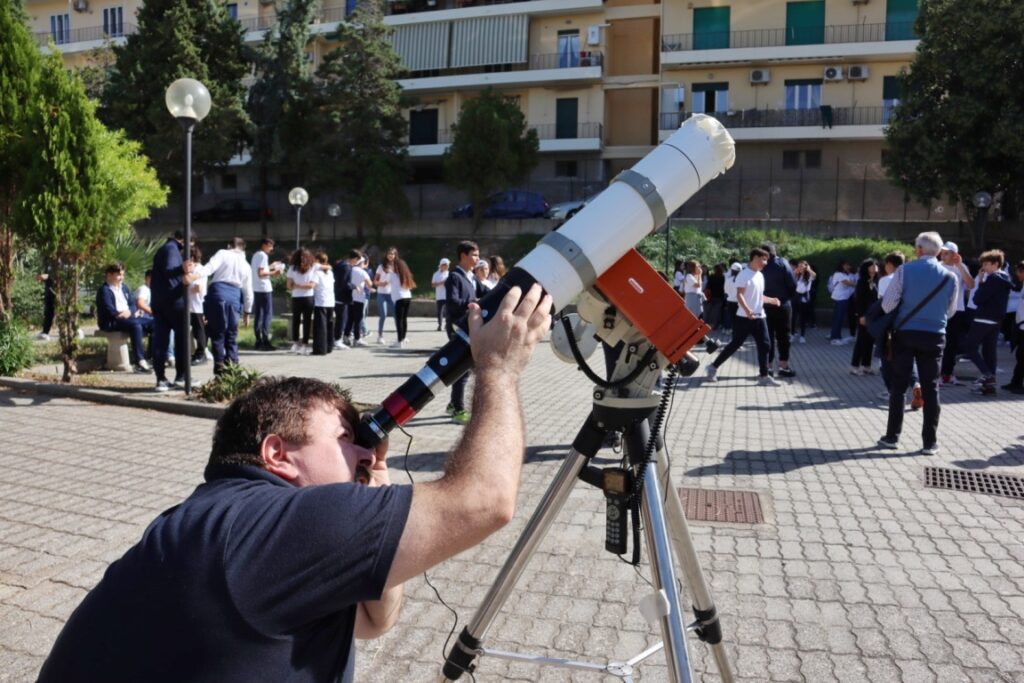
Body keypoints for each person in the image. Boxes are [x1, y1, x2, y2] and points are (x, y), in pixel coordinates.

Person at [37, 283, 553, 683]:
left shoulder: (223, 523)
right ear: (277, 454)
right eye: (345, 437)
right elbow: (485, 500)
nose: (366, 450)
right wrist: (499, 370)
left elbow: (375, 620)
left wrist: (371, 489)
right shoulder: (265, 527)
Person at [877, 232, 959, 455]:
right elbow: (951, 311)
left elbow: (887, 305)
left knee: (898, 386)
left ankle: (892, 436)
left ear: (920, 250)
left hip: (906, 332)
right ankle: (929, 443)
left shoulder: (904, 270)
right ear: (940, 252)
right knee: (931, 387)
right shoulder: (951, 277)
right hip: (935, 335)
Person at [705, 248, 780, 386]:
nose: (765, 263)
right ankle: (712, 367)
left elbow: (759, 296)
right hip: (744, 317)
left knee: (765, 344)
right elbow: (739, 295)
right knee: (735, 344)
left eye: (766, 260)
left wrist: (772, 300)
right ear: (755, 258)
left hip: (760, 316)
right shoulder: (743, 275)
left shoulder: (760, 275)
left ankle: (764, 376)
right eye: (763, 259)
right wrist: (747, 310)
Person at [195, 237, 254, 375]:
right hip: (234, 298)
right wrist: (247, 311)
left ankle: (219, 366)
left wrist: (195, 274)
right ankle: (233, 368)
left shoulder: (222, 253)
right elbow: (248, 291)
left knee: (217, 333)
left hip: (217, 295)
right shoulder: (246, 265)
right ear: (243, 249)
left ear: (229, 245)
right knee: (232, 335)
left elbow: (209, 268)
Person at [150, 230, 199, 392]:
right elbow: (171, 270)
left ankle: (162, 378)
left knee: (162, 340)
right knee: (180, 340)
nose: (190, 248)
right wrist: (183, 269)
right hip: (173, 303)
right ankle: (181, 376)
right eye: (190, 244)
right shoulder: (171, 249)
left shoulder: (165, 248)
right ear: (184, 240)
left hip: (160, 302)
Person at [963, 249, 1012, 396]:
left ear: (996, 264)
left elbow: (977, 299)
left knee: (969, 347)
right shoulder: (1005, 277)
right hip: (997, 320)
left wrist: (982, 282)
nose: (983, 267)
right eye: (982, 264)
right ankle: (989, 387)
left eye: (986, 264)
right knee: (989, 351)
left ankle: (987, 374)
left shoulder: (992, 278)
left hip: (983, 317)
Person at [445, 240, 481, 424]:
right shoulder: (455, 277)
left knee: (464, 370)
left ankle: (453, 404)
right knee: (461, 369)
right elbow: (452, 302)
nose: (477, 258)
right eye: (474, 255)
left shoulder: (472, 276)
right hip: (458, 327)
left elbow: (485, 292)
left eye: (477, 255)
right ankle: (458, 409)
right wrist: (472, 303)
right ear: (463, 256)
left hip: (469, 327)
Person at [95, 262, 151, 373]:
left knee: (154, 323)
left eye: (123, 275)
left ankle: (154, 356)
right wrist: (120, 314)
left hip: (128, 316)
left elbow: (132, 304)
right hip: (112, 321)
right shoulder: (104, 290)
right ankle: (140, 360)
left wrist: (130, 312)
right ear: (109, 275)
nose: (122, 278)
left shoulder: (124, 287)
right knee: (136, 326)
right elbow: (108, 309)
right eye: (119, 275)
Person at [937, 241, 975, 386]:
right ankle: (938, 374)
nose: (943, 255)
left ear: (955, 254)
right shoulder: (937, 266)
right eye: (942, 252)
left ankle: (949, 374)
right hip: (940, 310)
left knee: (952, 344)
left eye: (946, 253)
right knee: (940, 343)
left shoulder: (961, 267)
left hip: (957, 310)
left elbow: (971, 285)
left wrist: (959, 265)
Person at [760, 243, 797, 378]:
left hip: (764, 305)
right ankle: (783, 366)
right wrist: (786, 297)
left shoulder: (759, 266)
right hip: (782, 304)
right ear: (774, 252)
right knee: (784, 336)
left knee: (767, 336)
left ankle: (768, 367)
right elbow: (792, 284)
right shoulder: (783, 263)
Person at [251, 238, 284, 351]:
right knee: (267, 315)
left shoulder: (256, 254)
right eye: (270, 246)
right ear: (264, 245)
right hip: (264, 288)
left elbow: (260, 270)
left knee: (258, 315)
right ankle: (265, 340)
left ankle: (258, 341)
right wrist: (275, 272)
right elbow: (261, 273)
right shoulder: (263, 255)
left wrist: (271, 266)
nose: (272, 248)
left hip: (257, 288)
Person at [849, 258, 879, 375]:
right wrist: (861, 315)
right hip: (863, 315)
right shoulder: (862, 282)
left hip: (873, 315)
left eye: (876, 265)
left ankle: (866, 365)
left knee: (870, 340)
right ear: (866, 268)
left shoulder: (876, 281)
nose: (875, 267)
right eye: (872, 265)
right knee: (861, 340)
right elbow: (859, 300)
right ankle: (854, 366)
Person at [287, 248, 317, 355]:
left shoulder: (313, 267)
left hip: (308, 297)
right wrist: (302, 286)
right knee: (296, 319)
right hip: (296, 297)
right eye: (300, 256)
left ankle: (305, 344)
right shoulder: (292, 268)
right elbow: (289, 286)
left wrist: (298, 285)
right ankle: (295, 343)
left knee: (307, 321)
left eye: (304, 256)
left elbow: (312, 285)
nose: (302, 259)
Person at [1003, 260, 1024, 395]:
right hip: (1020, 326)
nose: (1016, 274)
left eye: (1018, 271)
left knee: (1022, 357)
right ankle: (1015, 382)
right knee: (1020, 356)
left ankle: (1017, 384)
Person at [345, 252, 374, 347]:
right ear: (362, 263)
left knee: (350, 319)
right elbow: (370, 284)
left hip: (350, 298)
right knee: (358, 319)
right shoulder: (363, 272)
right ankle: (357, 339)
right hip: (359, 298)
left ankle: (346, 336)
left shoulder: (350, 270)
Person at [187, 246, 208, 366]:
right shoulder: (191, 269)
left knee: (199, 330)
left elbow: (198, 288)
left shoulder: (199, 269)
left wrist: (186, 284)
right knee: (190, 330)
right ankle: (193, 353)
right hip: (189, 305)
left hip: (197, 305)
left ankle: (201, 353)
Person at [827, 260, 856, 345]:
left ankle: (837, 337)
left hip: (844, 299)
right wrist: (859, 284)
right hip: (839, 299)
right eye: (846, 265)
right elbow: (848, 283)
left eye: (849, 265)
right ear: (842, 266)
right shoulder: (838, 274)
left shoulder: (846, 274)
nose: (848, 267)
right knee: (838, 319)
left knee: (839, 319)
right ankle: (834, 338)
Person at [374, 247, 398, 345]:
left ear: (395, 255)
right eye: (389, 254)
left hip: (393, 294)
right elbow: (375, 281)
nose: (390, 256)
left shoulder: (397, 267)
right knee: (383, 315)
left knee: (396, 316)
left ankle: (400, 336)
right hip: (382, 294)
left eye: (392, 254)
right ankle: (380, 336)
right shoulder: (381, 266)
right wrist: (381, 284)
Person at [390, 257, 416, 349]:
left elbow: (388, 282)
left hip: (399, 299)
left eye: (393, 265)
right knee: (404, 319)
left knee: (399, 320)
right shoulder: (406, 274)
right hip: (407, 297)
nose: (391, 266)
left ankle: (399, 341)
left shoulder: (393, 275)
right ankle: (403, 338)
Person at [333, 251, 354, 349]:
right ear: (354, 259)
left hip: (336, 296)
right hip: (342, 297)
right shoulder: (346, 267)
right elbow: (344, 283)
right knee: (341, 319)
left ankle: (336, 339)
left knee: (339, 319)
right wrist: (353, 286)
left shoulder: (338, 265)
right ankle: (338, 340)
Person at [793, 261, 816, 343]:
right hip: (795, 296)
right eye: (799, 266)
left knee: (803, 317)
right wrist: (796, 271)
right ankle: (793, 334)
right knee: (793, 316)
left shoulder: (808, 275)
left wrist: (809, 269)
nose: (801, 268)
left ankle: (802, 336)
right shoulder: (796, 275)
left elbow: (814, 275)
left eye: (803, 266)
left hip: (804, 296)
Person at [34, 264, 55, 340]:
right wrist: (41, 277)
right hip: (49, 290)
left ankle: (74, 330)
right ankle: (45, 332)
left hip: (59, 290)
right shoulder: (47, 261)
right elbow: (46, 275)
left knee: (64, 312)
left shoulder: (62, 259)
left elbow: (63, 273)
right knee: (48, 312)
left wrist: (48, 276)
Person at [431, 258, 450, 332]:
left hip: (448, 295)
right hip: (440, 296)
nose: (448, 266)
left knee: (448, 311)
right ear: (442, 265)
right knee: (440, 311)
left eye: (448, 265)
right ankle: (440, 325)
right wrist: (442, 283)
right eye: (446, 265)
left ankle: (447, 325)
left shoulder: (449, 274)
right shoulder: (436, 274)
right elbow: (433, 285)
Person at [722, 261, 742, 332]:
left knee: (730, 316)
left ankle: (729, 329)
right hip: (740, 301)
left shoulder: (728, 280)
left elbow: (726, 291)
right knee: (739, 317)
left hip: (730, 301)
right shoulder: (742, 280)